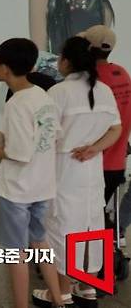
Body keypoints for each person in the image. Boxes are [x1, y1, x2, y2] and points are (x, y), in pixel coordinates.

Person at [32, 36, 121, 308]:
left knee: (60, 229)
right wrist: (94, 148)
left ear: (67, 61)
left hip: (63, 169)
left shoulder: (58, 92)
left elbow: (42, 135)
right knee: (92, 225)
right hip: (92, 171)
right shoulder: (104, 90)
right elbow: (115, 129)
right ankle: (88, 288)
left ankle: (61, 292)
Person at [0, 38, 66, 308]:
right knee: (41, 244)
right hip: (41, 186)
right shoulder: (43, 96)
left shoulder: (17, 103)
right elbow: (55, 136)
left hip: (17, 190)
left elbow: (20, 152)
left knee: (15, 254)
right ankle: (58, 300)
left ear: (5, 68)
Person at [78, 26, 131, 242]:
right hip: (117, 161)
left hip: (92, 160)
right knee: (97, 211)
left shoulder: (91, 79)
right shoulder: (122, 74)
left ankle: (98, 260)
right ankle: (108, 252)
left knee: (88, 214)